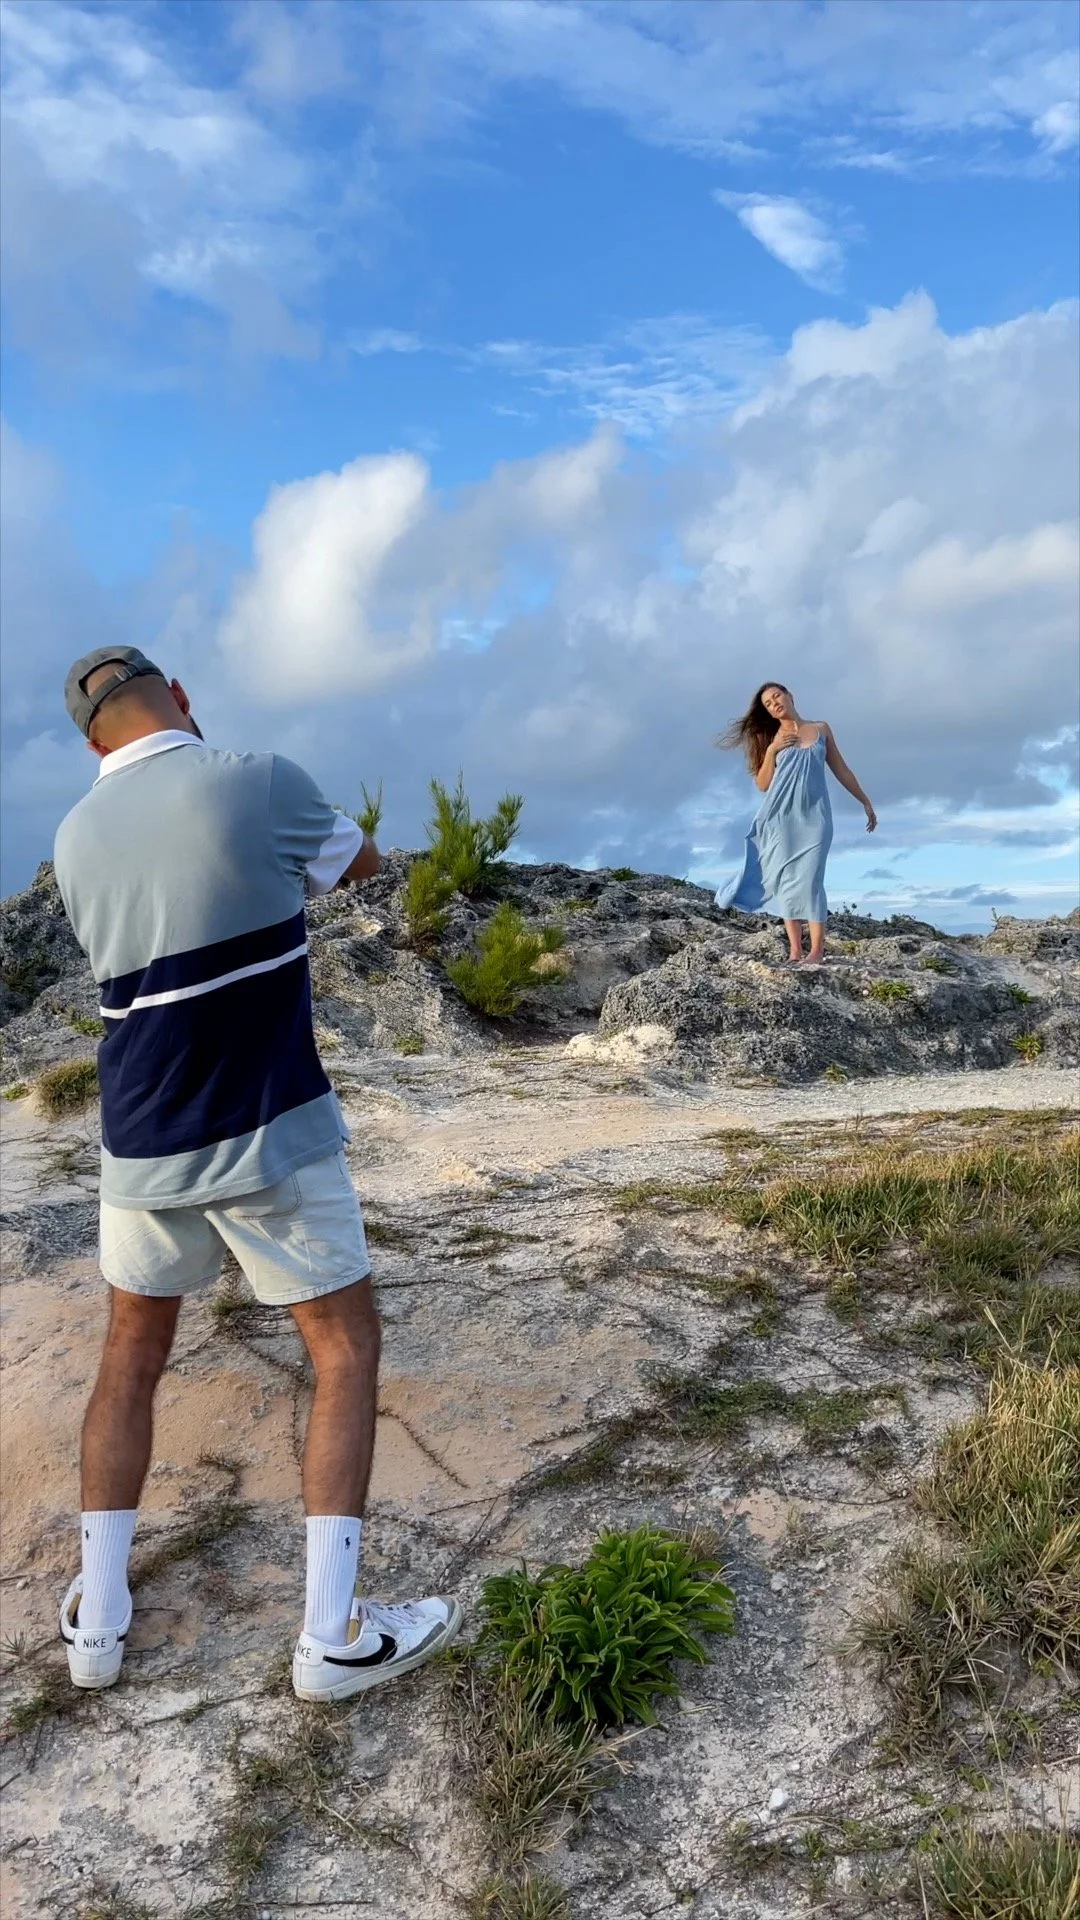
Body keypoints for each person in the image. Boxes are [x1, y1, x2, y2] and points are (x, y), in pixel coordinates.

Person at [51, 646, 461, 1700]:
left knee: (130, 1356)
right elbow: (358, 867)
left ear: (91, 741)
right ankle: (332, 1636)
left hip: (140, 1141)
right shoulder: (258, 779)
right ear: (181, 697)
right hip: (268, 1127)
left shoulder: (73, 837)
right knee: (343, 1349)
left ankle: (98, 1623)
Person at [715, 681, 877, 964]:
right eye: (768, 704)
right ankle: (795, 951)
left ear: (790, 696)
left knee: (812, 879)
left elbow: (841, 769)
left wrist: (864, 800)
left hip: (816, 819)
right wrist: (772, 750)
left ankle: (816, 951)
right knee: (787, 882)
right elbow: (763, 784)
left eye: (777, 696)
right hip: (780, 819)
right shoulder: (771, 738)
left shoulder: (821, 729)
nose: (774, 703)